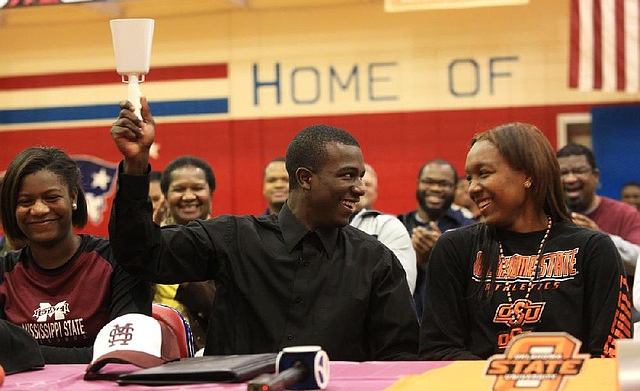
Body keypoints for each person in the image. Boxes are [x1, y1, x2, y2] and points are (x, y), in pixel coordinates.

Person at [109, 98, 418, 361]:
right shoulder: (232, 238)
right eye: (348, 176)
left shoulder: (377, 262)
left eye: (361, 177)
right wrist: (135, 165)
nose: (360, 189)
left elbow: (398, 360)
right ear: (305, 178)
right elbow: (140, 254)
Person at [419, 123, 631, 360]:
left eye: (484, 173)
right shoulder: (454, 249)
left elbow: (610, 352)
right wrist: (506, 380)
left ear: (528, 175)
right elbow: (438, 349)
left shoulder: (592, 249)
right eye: (470, 177)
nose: (472, 188)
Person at [0, 146, 152, 363]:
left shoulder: (117, 260)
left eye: (51, 198)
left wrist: (20, 352)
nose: (39, 209)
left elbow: (123, 353)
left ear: (73, 196)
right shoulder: (3, 272)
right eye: (26, 202)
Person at [153, 155, 217, 351]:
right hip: (158, 347)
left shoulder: (230, 240)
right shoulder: (151, 245)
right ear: (166, 195)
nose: (188, 196)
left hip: (213, 351)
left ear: (210, 193)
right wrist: (151, 239)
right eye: (179, 189)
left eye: (197, 188)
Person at [398, 160, 476, 316]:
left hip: (452, 321)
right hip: (407, 324)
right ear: (418, 184)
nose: (435, 188)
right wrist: (415, 260)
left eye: (444, 184)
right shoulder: (398, 227)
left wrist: (443, 253)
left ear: (455, 188)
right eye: (428, 182)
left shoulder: (470, 229)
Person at [556, 144, 640, 281]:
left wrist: (600, 238)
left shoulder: (626, 214)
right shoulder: (548, 217)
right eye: (563, 173)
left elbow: (638, 261)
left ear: (595, 176)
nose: (571, 179)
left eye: (579, 171)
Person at [349, 163, 417, 295]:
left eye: (368, 184)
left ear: (376, 191)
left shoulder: (387, 225)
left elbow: (401, 286)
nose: (361, 188)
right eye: (357, 182)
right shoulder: (322, 224)